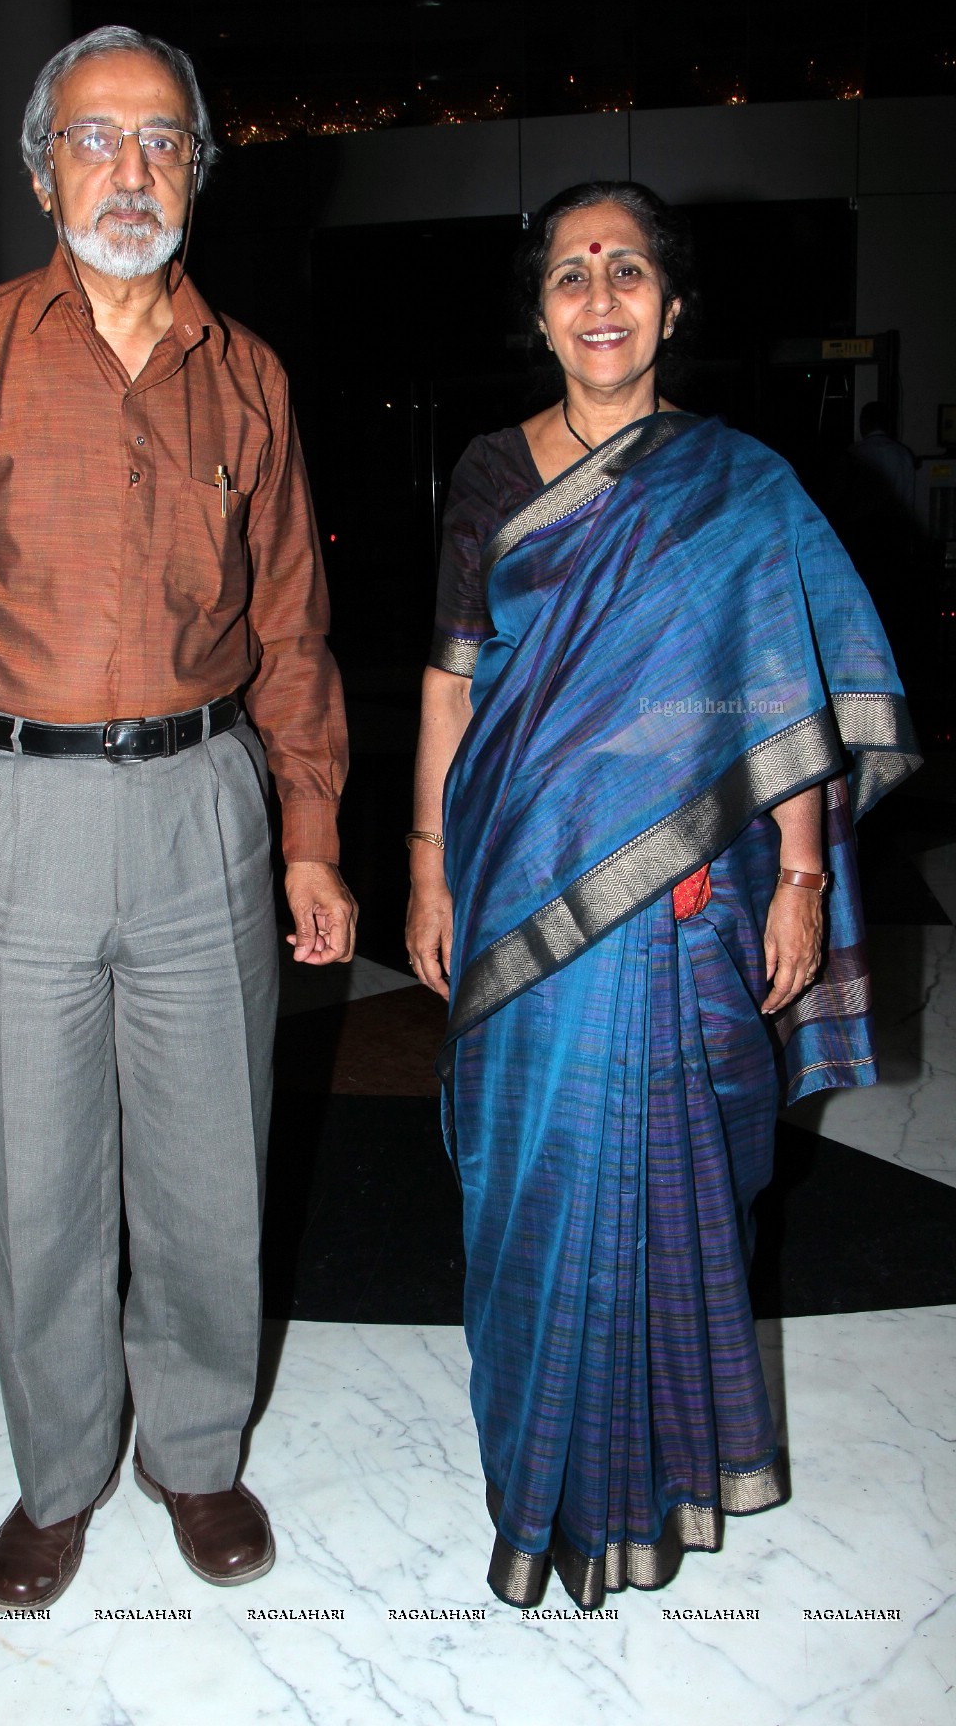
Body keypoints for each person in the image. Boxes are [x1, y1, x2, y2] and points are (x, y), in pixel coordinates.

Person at [0, 25, 356, 1611]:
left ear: (198, 165)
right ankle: (60, 1474)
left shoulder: (250, 374)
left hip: (207, 802)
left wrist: (316, 831)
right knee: (42, 1171)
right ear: (41, 163)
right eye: (94, 139)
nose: (128, 170)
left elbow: (291, 631)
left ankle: (195, 1455)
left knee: (215, 1160)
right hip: (11, 813)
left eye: (158, 141)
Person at [405, 181, 917, 1612]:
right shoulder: (492, 479)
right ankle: (542, 1495)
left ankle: (662, 1481)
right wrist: (426, 868)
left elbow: (790, 700)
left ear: (673, 306)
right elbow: (452, 687)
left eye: (628, 269)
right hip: (520, 897)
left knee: (686, 1181)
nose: (602, 295)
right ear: (542, 314)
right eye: (571, 275)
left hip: (695, 900)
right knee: (531, 1193)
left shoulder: (743, 486)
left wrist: (804, 877)